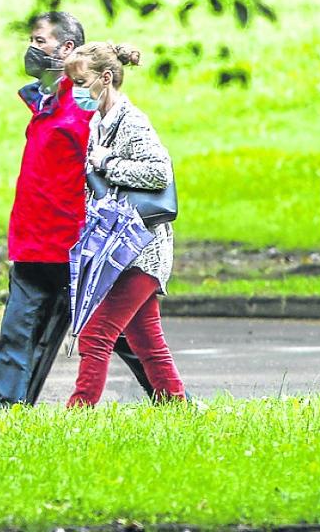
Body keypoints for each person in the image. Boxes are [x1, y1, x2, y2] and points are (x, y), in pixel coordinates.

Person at [0, 12, 155, 407]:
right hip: (33, 242)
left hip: (74, 244)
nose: (32, 47)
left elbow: (110, 169)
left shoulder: (83, 108)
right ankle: (1, 416)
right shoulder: (44, 103)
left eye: (40, 40)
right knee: (18, 334)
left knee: (119, 334)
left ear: (66, 49)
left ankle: (170, 398)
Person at [64, 42, 185, 406]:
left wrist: (107, 163)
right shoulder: (99, 122)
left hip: (141, 251)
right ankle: (179, 409)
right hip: (122, 249)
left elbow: (159, 173)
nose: (76, 91)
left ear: (105, 78)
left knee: (96, 335)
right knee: (146, 339)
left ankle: (78, 413)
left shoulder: (131, 121)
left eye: (81, 82)